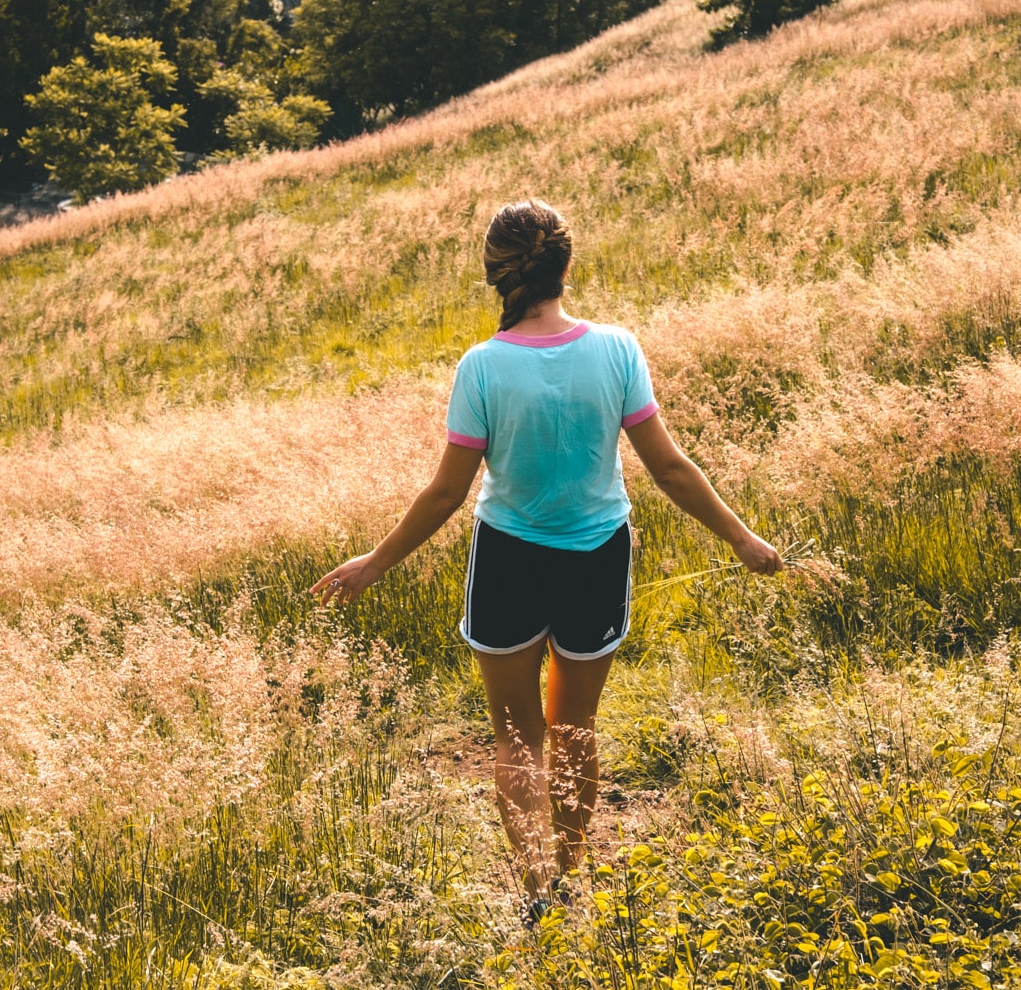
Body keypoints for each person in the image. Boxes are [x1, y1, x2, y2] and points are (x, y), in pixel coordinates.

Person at [311, 198, 781, 918]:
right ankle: (570, 870)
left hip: (508, 560)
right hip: (598, 556)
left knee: (516, 736)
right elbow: (670, 469)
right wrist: (741, 538)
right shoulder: (616, 348)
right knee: (575, 730)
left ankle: (535, 886)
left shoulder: (483, 367)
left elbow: (446, 494)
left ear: (497, 273)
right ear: (566, 264)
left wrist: (375, 562)